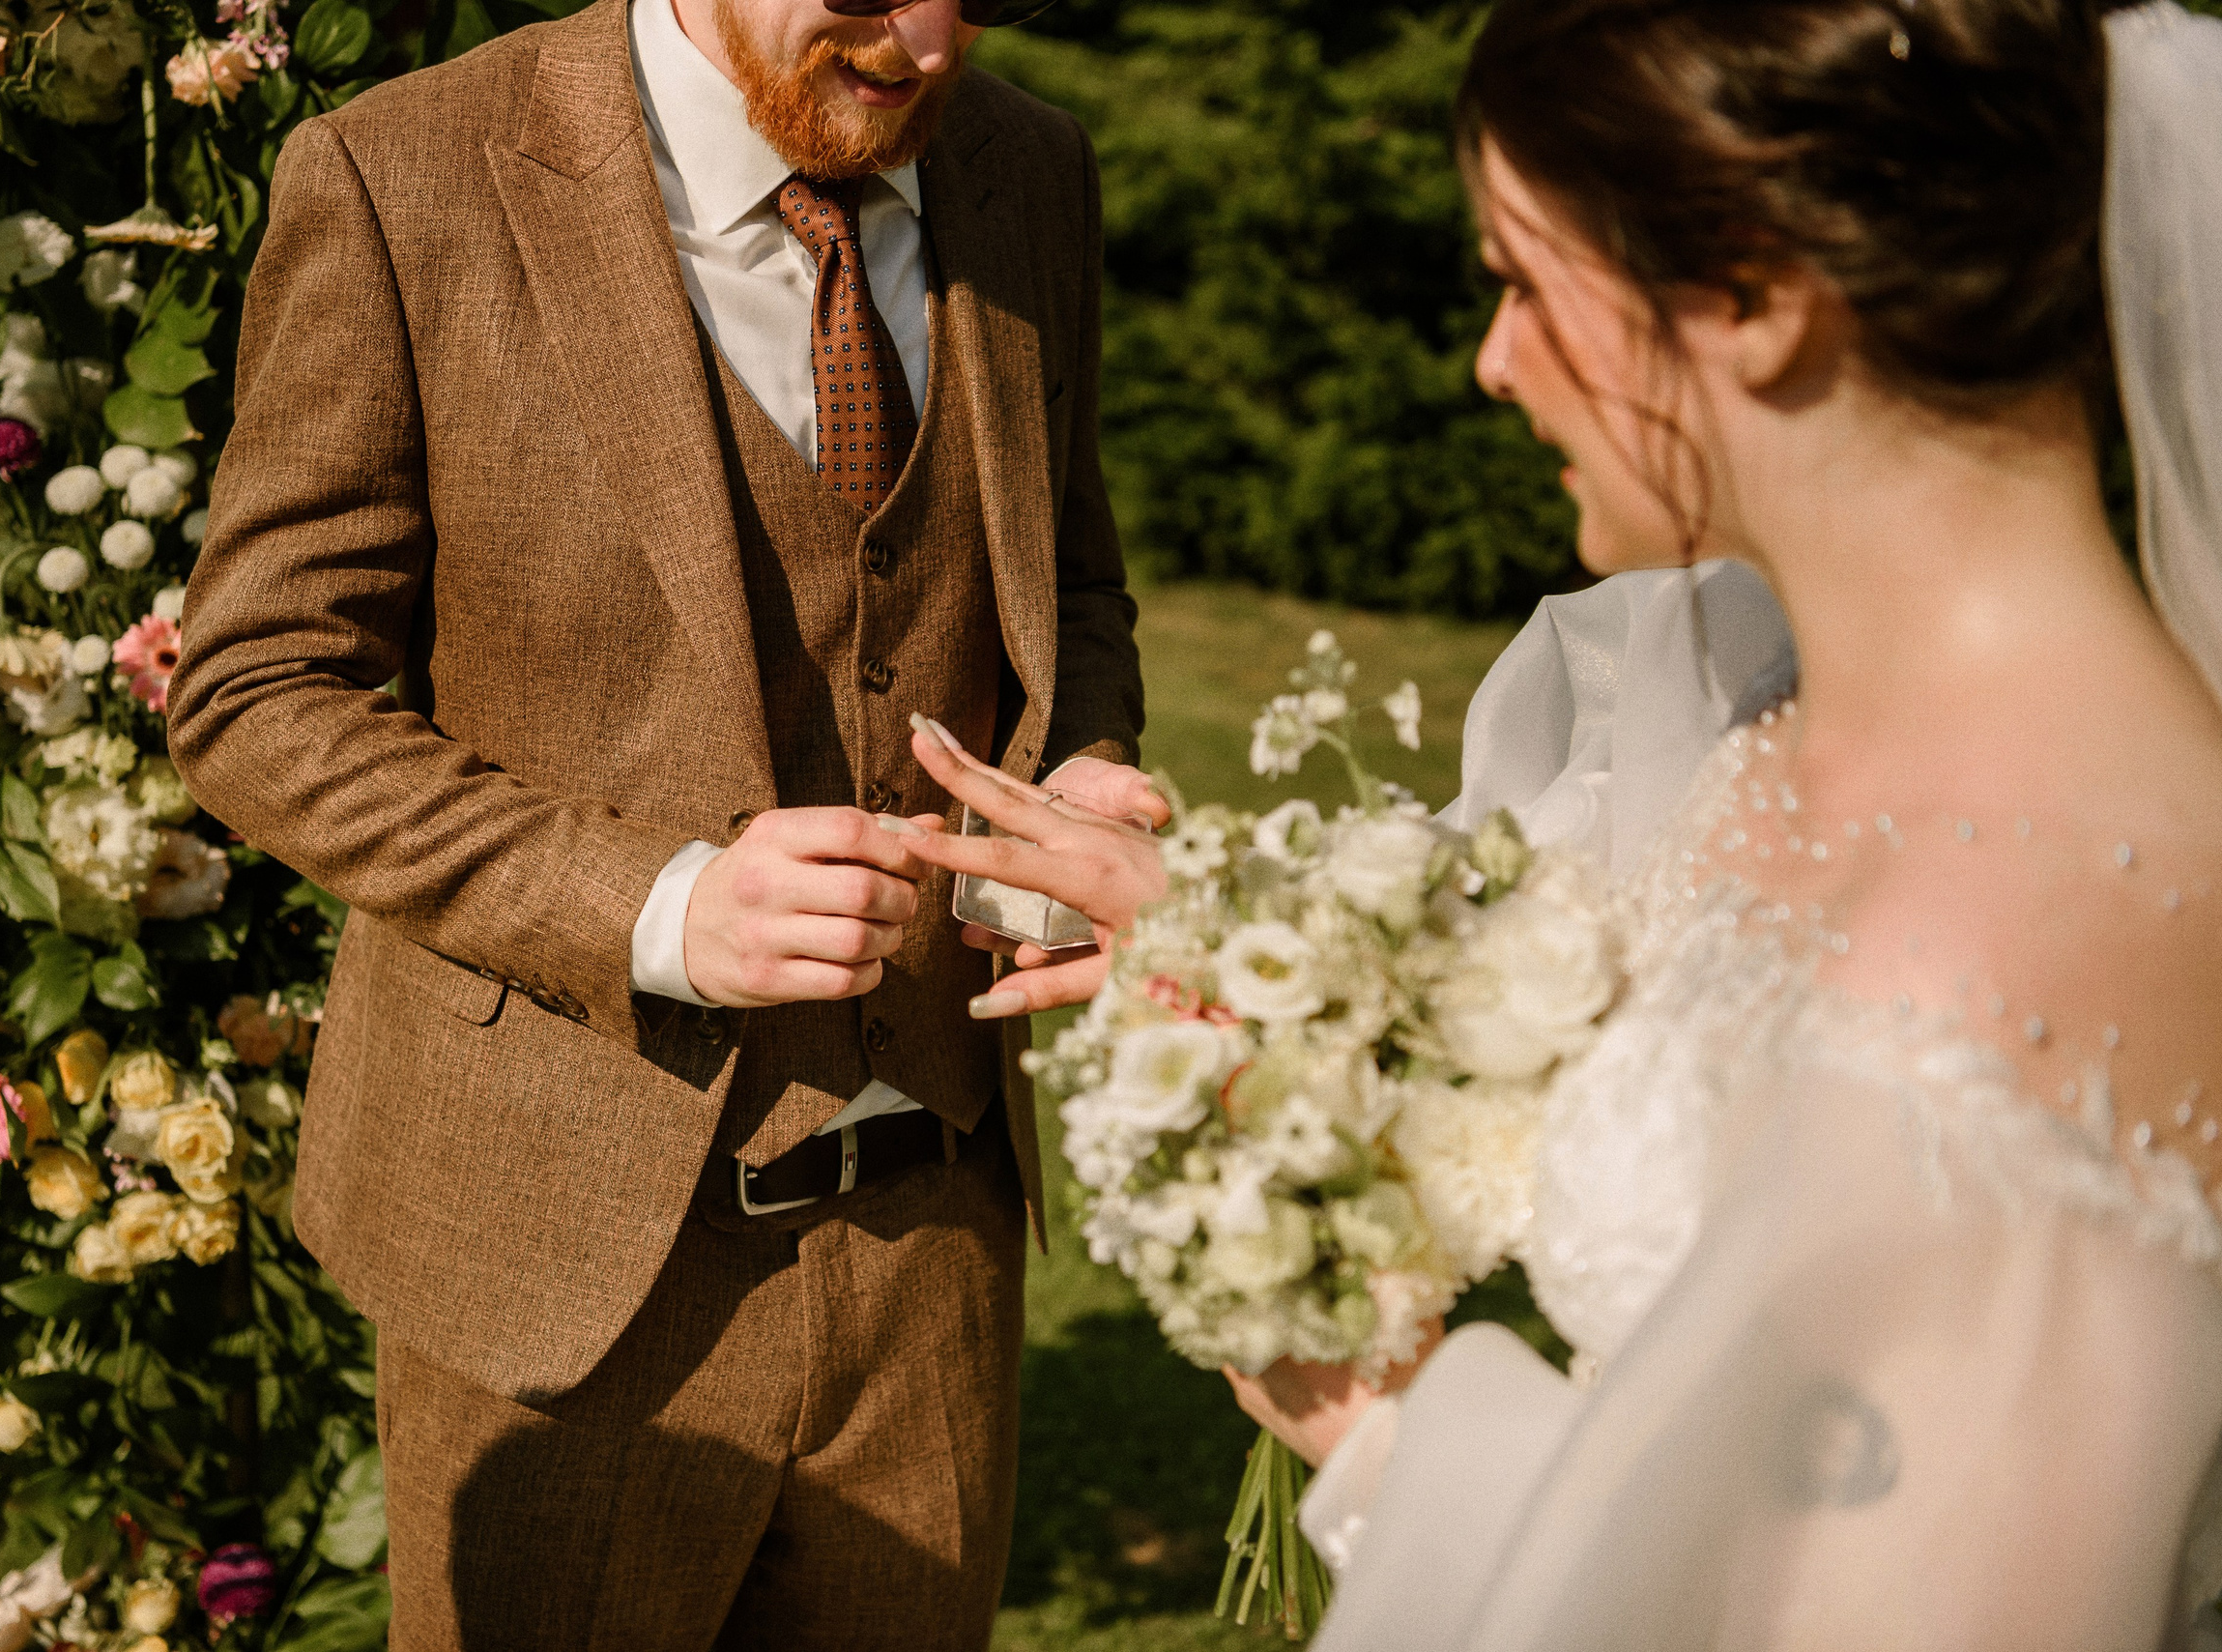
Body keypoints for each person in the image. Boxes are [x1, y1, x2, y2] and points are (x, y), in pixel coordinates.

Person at [892, 0, 2222, 1642]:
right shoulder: (1779, 739)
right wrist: (1231, 939)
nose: (1492, 360)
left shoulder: (2043, 896)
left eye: (1526, 279)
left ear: (1752, 292)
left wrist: (1388, 1439)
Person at [165, 0, 1161, 1644]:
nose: (914, 40)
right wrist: (655, 904)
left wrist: (1084, 760)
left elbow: (1076, 580)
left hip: (941, 1235)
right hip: (566, 1262)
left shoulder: (1029, 167)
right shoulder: (398, 174)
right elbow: (260, 687)